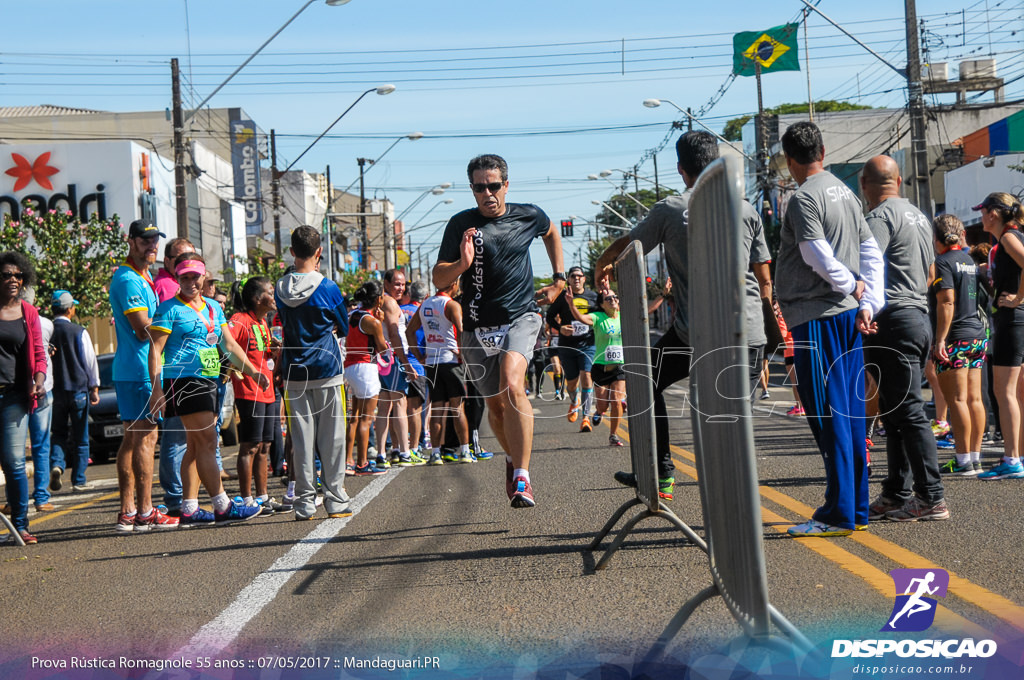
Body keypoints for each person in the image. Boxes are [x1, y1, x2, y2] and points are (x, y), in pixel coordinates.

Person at [595, 131, 773, 501]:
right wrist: (771, 339)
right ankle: (733, 514)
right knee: (732, 424)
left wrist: (603, 263)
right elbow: (765, 279)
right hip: (747, 333)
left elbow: (630, 245)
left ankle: (664, 474)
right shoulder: (745, 208)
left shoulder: (672, 209)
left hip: (698, 336)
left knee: (645, 382)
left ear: (681, 169)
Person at [434, 153, 565, 508]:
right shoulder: (461, 223)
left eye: (494, 186)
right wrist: (462, 263)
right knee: (496, 408)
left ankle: (522, 476)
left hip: (521, 317)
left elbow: (552, 231)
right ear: (473, 189)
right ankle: (512, 458)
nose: (488, 194)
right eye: (480, 188)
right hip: (477, 327)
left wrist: (559, 278)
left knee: (512, 382)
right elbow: (438, 278)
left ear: (506, 185)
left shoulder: (528, 215)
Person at [774, 121, 884, 537]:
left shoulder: (803, 198)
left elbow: (814, 253)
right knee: (850, 412)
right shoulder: (847, 193)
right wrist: (869, 299)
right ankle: (853, 507)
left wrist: (852, 286)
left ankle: (839, 513)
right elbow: (871, 250)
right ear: (823, 149)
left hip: (816, 317)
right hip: (847, 315)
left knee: (828, 413)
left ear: (790, 160)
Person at [856, 155, 948, 523]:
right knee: (895, 413)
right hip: (917, 317)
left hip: (891, 320)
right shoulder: (919, 217)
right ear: (898, 180)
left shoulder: (878, 217)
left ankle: (931, 497)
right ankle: (896, 492)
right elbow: (929, 274)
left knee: (907, 412)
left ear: (865, 184)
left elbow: (868, 265)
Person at [148, 252, 268, 527]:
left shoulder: (214, 307)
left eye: (195, 276)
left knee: (195, 445)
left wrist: (252, 370)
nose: (190, 282)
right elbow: (155, 351)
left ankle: (189, 507)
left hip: (210, 379)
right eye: (184, 277)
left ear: (204, 277)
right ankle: (222, 504)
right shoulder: (169, 309)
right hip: (184, 380)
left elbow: (228, 344)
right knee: (207, 443)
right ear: (177, 278)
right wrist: (156, 390)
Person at [275, 225, 352, 519]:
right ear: (319, 252)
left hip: (294, 371)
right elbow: (343, 326)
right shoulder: (328, 287)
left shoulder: (281, 288)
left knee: (302, 439)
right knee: (332, 438)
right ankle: (335, 500)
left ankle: (305, 502)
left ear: (292, 252)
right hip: (326, 368)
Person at [108, 219, 179, 532]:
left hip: (136, 368)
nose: (152, 246)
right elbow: (141, 330)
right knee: (146, 438)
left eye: (155, 240)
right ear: (131, 241)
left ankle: (129, 510)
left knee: (133, 439)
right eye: (146, 240)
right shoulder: (127, 279)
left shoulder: (142, 275)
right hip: (138, 369)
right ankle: (145, 510)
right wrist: (176, 324)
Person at [928, 215, 987, 476]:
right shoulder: (968, 260)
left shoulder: (942, 262)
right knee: (974, 398)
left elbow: (947, 301)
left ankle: (963, 460)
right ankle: (975, 457)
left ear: (936, 238)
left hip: (955, 339)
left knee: (957, 400)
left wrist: (940, 338)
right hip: (977, 335)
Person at [974, 192, 1024, 480]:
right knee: (1017, 393)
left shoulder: (1007, 237)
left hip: (1012, 319)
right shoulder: (1013, 235)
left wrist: (1017, 298)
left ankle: (1012, 459)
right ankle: (1017, 455)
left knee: (1004, 392)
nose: (981, 216)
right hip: (1017, 318)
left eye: (983, 211)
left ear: (994, 213)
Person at [228, 277, 289, 512]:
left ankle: (263, 497)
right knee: (250, 446)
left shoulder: (262, 322)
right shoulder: (240, 320)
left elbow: (262, 355)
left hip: (268, 391)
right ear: (257, 298)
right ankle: (246, 499)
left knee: (265, 446)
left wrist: (274, 352)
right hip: (249, 392)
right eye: (270, 292)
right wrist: (245, 372)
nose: (274, 297)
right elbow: (227, 346)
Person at [0, 252, 46, 544]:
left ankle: (20, 525)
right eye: (6, 275)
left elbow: (40, 355)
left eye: (18, 275)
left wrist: (38, 382)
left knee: (14, 463)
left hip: (15, 398)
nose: (13, 280)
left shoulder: (28, 313)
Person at [407, 280, 473, 465]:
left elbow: (409, 331)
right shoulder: (451, 304)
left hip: (432, 362)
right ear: (452, 284)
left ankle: (435, 453)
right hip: (451, 361)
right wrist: (462, 352)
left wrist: (419, 355)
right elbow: (461, 330)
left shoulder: (425, 304)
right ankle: (465, 452)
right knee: (457, 408)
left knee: (437, 409)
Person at [153, 237, 196, 515]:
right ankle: (175, 497)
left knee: (199, 438)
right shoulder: (166, 289)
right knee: (175, 438)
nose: (186, 262)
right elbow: (157, 342)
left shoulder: (194, 292)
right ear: (168, 262)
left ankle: (190, 496)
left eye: (191, 256)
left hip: (200, 375)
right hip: (175, 375)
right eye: (180, 258)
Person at [48, 290, 100, 496]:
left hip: (55, 392)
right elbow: (90, 361)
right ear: (70, 309)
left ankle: (57, 465)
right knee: (80, 437)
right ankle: (78, 479)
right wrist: (94, 387)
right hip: (78, 390)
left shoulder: (46, 331)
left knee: (58, 434)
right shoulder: (79, 331)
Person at [374, 269, 424, 468]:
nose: (401, 288)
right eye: (396, 284)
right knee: (400, 405)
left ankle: (382, 454)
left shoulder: (380, 301)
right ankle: (404, 452)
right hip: (393, 359)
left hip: (382, 359)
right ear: (386, 283)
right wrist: (404, 361)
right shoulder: (390, 303)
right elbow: (394, 334)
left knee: (385, 407)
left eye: (403, 284)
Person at [564, 290, 627, 446]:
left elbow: (646, 311)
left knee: (617, 401)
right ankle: (599, 411)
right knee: (603, 404)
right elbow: (580, 318)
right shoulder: (598, 318)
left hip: (620, 366)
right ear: (601, 304)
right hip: (601, 367)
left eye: (615, 297)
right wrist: (571, 304)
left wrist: (662, 295)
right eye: (608, 298)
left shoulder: (624, 316)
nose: (612, 299)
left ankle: (613, 435)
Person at [344, 280, 389, 475]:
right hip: (366, 368)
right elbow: (382, 348)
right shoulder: (373, 322)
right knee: (366, 420)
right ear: (379, 299)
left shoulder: (351, 314)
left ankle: (348, 461)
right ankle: (362, 463)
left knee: (354, 417)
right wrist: (383, 321)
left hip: (350, 367)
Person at [546, 266, 598, 431]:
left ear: (584, 279)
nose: (576, 279)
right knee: (572, 384)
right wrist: (560, 328)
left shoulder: (593, 297)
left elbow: (603, 314)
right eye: (573, 276)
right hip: (567, 345)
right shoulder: (563, 297)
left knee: (587, 377)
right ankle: (574, 401)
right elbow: (549, 316)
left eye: (579, 276)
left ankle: (586, 418)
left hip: (588, 344)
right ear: (568, 279)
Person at [24, 288, 54, 512]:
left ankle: (18, 499)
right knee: (41, 445)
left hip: (17, 388)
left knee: (12, 450)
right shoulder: (45, 323)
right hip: (44, 386)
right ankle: (41, 498)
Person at [399, 280, 430, 463]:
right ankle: (414, 447)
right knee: (415, 410)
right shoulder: (424, 313)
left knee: (399, 409)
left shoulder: (400, 310)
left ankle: (398, 447)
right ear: (425, 297)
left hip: (398, 362)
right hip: (417, 363)